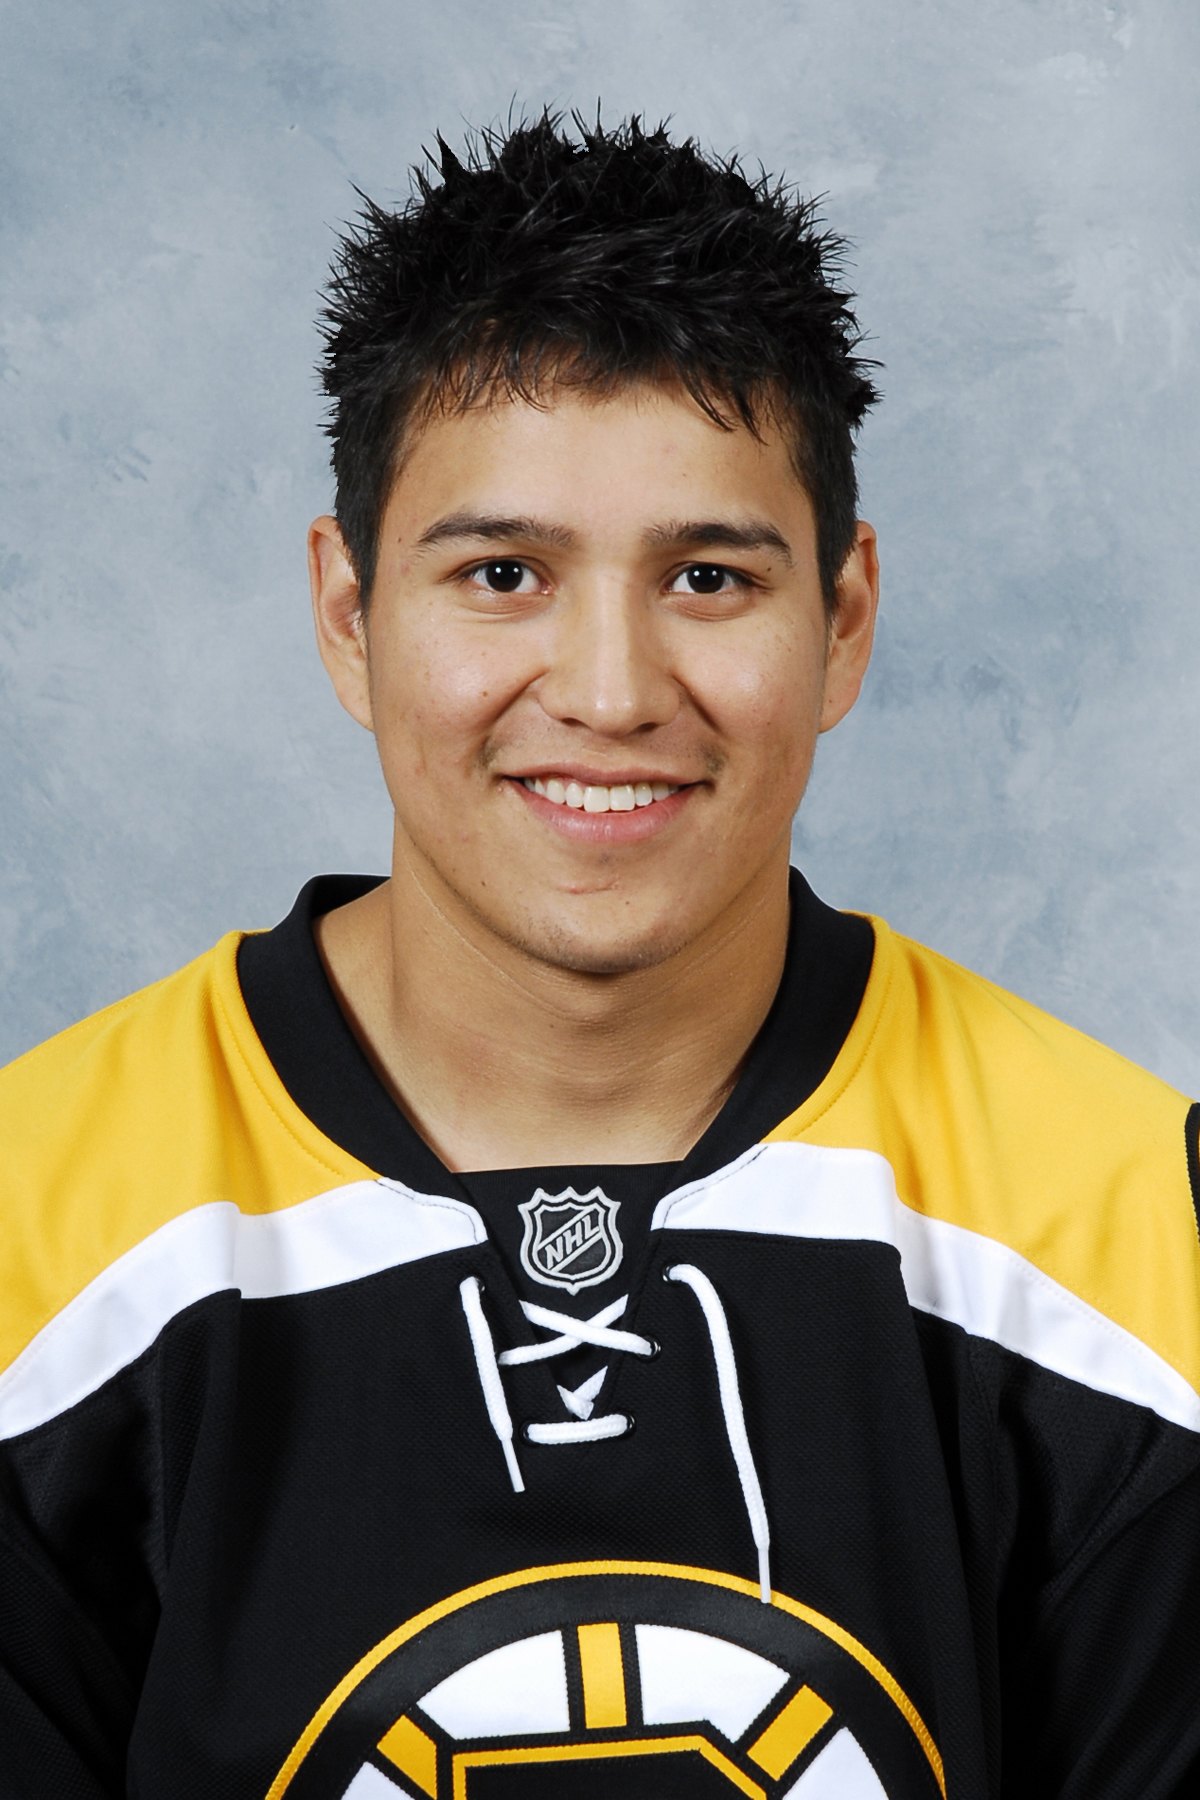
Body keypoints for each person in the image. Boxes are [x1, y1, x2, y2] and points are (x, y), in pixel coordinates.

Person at [1, 111, 1197, 1800]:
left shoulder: (1132, 1239)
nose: (614, 689)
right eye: (503, 573)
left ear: (844, 619)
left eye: (708, 577)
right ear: (348, 614)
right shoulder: (36, 1239)